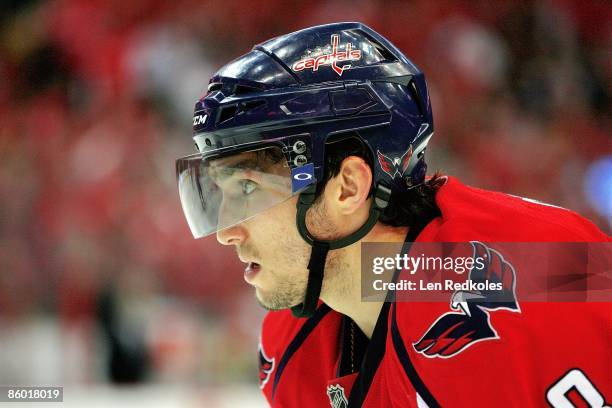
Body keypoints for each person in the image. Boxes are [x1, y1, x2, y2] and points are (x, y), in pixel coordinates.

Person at [175, 22, 611, 407]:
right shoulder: (291, 344)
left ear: (347, 187)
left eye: (248, 187)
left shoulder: (539, 274)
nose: (225, 231)